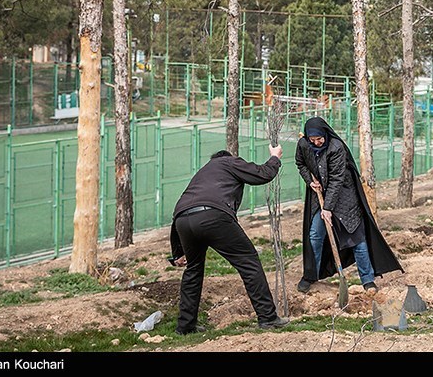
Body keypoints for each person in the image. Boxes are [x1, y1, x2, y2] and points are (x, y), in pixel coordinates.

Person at [169, 145, 289, 334]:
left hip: (183, 220)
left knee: (193, 270)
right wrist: (275, 157)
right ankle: (268, 318)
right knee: (249, 262)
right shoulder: (227, 162)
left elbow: (185, 209)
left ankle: (185, 326)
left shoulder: (202, 173)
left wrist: (178, 252)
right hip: (213, 216)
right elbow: (262, 174)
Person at [294, 116, 403, 294]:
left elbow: (337, 180)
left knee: (356, 239)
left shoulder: (336, 147)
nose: (317, 142)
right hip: (319, 196)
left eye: (319, 139)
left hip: (344, 197)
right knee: (315, 234)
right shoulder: (303, 144)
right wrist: (310, 181)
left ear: (325, 134)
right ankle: (310, 276)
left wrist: (328, 209)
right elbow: (300, 164)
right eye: (312, 140)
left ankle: (368, 281)